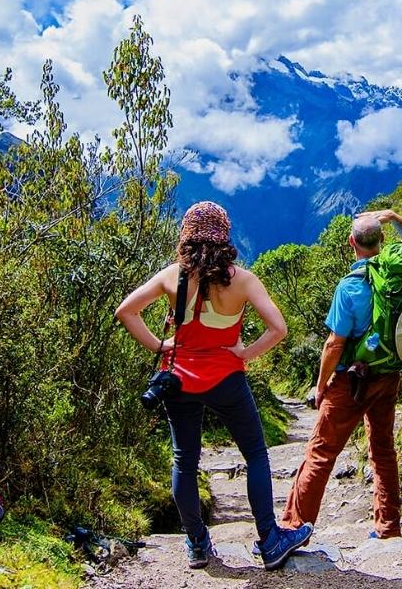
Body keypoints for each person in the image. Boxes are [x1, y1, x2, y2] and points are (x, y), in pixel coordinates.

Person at [115, 201, 313, 571]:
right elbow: (279, 329)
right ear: (224, 236)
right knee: (255, 454)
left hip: (178, 382)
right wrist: (244, 353)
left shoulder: (172, 277)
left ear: (186, 236)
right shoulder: (243, 280)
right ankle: (270, 540)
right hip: (227, 379)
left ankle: (197, 543)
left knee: (184, 461)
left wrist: (160, 345)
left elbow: (126, 311)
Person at [281, 209, 402, 539]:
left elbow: (334, 343)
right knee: (383, 450)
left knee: (321, 452)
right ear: (382, 241)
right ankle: (387, 528)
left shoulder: (350, 287)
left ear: (351, 243)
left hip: (351, 382)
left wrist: (320, 385)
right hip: (388, 374)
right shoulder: (397, 273)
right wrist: (393, 215)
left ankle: (293, 527)